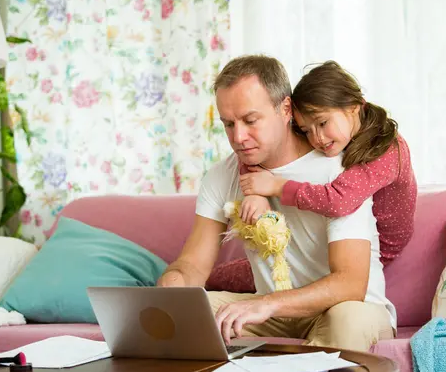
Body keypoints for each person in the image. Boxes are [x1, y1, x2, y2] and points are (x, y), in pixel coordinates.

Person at [157, 55, 396, 351]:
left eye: (250, 120)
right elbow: (193, 263)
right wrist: (173, 285)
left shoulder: (341, 169)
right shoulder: (221, 176)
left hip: (349, 306)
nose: (238, 137)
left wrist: (268, 304)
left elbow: (350, 282)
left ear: (285, 109)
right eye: (228, 124)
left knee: (348, 319)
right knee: (185, 311)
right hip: (275, 311)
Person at [238, 61, 417, 266]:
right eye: (307, 130)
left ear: (353, 107)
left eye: (323, 123)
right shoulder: (338, 134)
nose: (318, 138)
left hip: (373, 251)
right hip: (324, 240)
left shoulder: (388, 147)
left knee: (249, 273)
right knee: (232, 274)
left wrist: (276, 186)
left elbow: (340, 201)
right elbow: (258, 149)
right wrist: (256, 194)